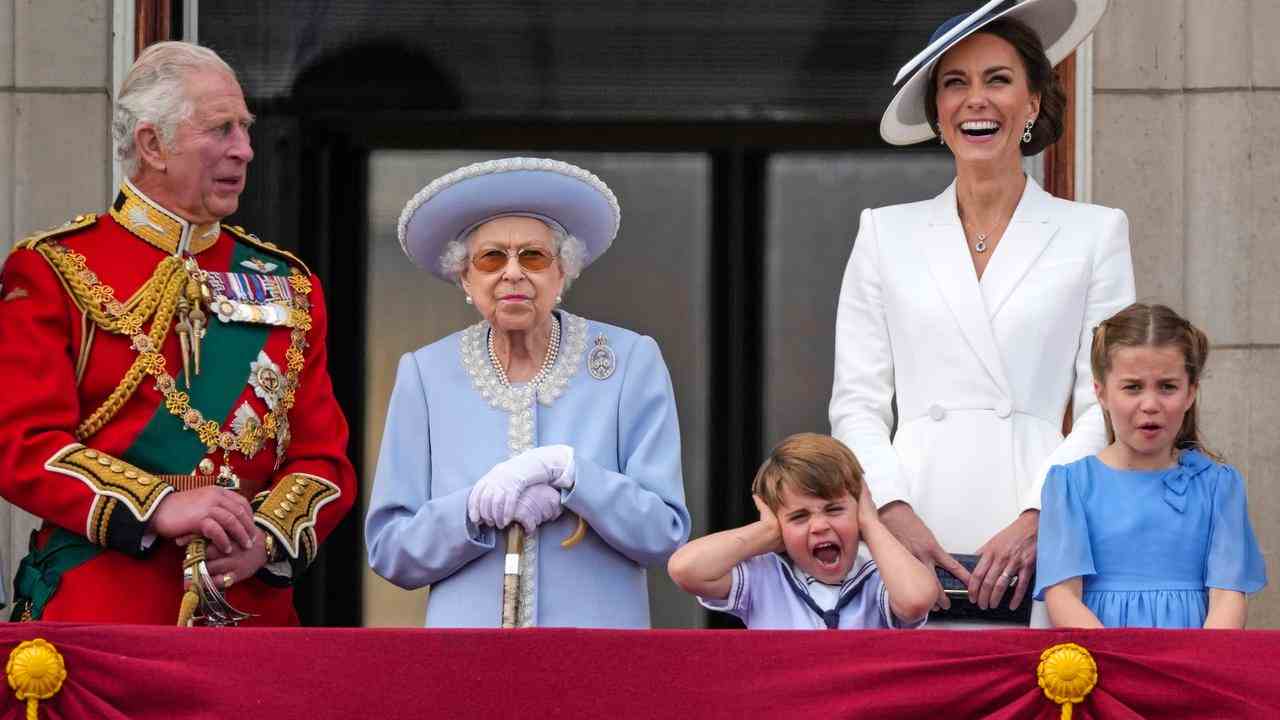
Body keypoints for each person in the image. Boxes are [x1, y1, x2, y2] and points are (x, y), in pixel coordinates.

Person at [0, 41, 356, 624]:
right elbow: (23, 445)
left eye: (244, 128)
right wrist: (158, 505)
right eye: (219, 130)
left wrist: (264, 538)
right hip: (104, 610)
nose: (243, 150)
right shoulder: (54, 269)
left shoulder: (290, 284)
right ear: (151, 144)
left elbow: (323, 459)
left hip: (250, 614)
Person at [830, 0, 1132, 625]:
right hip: (912, 512)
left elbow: (1109, 401)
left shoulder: (1094, 233)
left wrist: (1041, 516)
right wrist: (889, 511)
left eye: (998, 80)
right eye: (955, 83)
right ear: (936, 113)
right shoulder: (884, 233)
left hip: (1041, 514)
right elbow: (856, 403)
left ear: (1032, 103)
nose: (976, 100)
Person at [365, 157, 690, 628]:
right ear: (466, 279)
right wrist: (472, 507)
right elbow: (391, 551)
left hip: (596, 654)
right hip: (467, 656)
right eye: (491, 258)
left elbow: (665, 532)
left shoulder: (629, 361)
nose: (513, 273)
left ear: (563, 274)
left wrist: (574, 476)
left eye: (534, 257)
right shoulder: (425, 374)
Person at [1034, 304, 1266, 628]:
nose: (1150, 405)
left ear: (1191, 393)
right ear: (1100, 393)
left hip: (1190, 666)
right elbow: (1063, 597)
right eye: (1132, 387)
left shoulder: (1219, 485)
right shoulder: (1069, 485)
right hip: (1102, 664)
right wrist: (1120, 668)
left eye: (1167, 387)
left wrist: (1192, 668)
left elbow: (1227, 598)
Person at [668, 433, 934, 630]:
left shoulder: (880, 576)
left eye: (834, 510)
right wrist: (766, 532)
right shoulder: (765, 577)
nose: (819, 526)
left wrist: (872, 524)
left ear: (859, 510)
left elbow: (916, 600)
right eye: (799, 517)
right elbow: (685, 569)